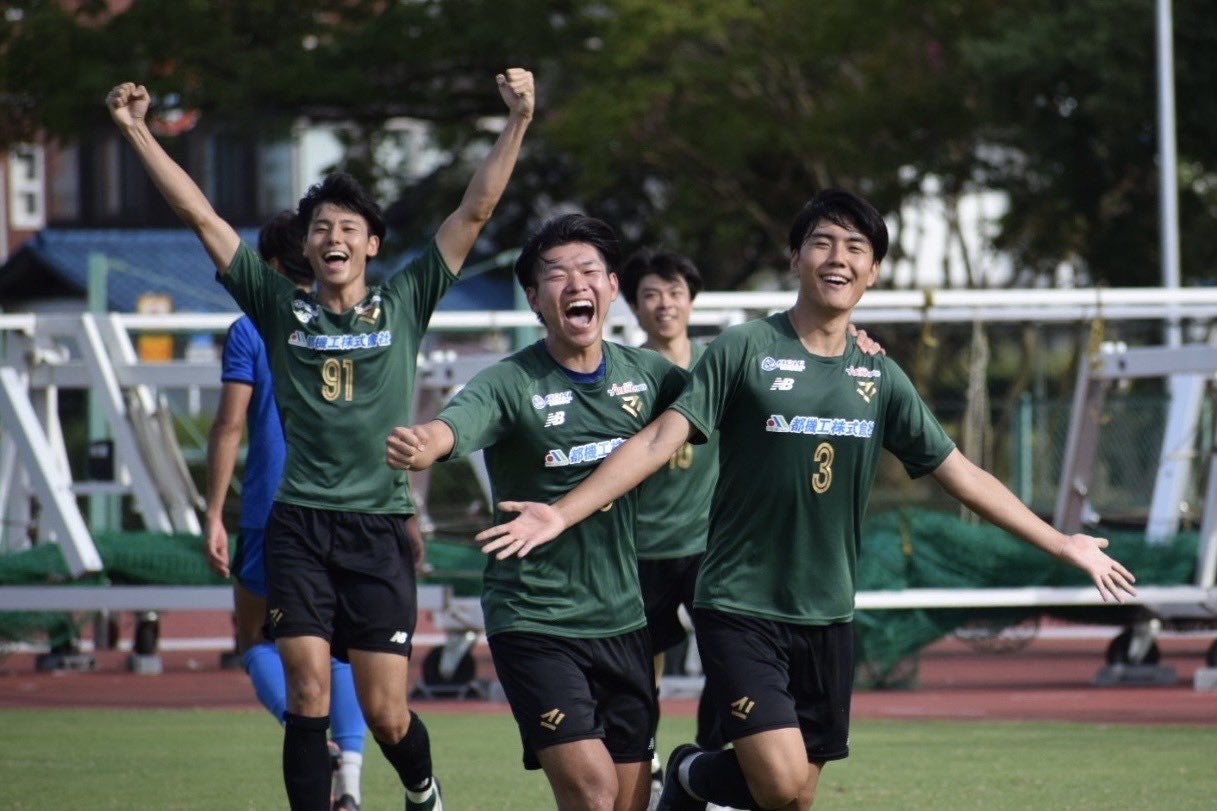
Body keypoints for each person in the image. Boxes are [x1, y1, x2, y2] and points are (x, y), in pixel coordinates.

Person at [473, 189, 1138, 811]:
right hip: (739, 604)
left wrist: (1062, 541)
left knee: (790, 798)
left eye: (855, 247)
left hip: (827, 612)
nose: (837, 257)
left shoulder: (877, 374)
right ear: (796, 257)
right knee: (780, 777)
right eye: (822, 242)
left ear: (873, 271)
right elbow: (654, 442)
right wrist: (561, 511)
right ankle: (685, 771)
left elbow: (960, 472)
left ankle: (688, 772)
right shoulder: (744, 349)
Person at [108, 67, 534, 811]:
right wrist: (138, 131)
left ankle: (422, 787)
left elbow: (475, 210)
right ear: (306, 245)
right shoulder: (277, 307)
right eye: (320, 227)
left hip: (377, 530)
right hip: (298, 525)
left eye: (347, 227)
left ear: (371, 243)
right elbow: (202, 216)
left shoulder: (405, 300)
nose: (332, 236)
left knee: (384, 712)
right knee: (306, 694)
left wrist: (518, 120)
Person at [385, 214, 685, 811]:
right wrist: (428, 442)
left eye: (589, 271)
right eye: (557, 275)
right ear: (534, 299)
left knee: (627, 801)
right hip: (535, 618)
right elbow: (455, 424)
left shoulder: (649, 376)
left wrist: (845, 341)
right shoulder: (509, 383)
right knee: (594, 794)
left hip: (623, 620)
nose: (576, 283)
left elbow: (733, 398)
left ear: (610, 288)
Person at [204, 210, 370, 811]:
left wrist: (213, 513)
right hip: (355, 506)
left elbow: (228, 426)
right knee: (344, 645)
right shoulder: (355, 322)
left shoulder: (253, 326)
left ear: (270, 265)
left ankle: (310, 737)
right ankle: (350, 775)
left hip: (274, 508)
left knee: (257, 638)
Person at [617, 250, 722, 794]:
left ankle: (705, 763)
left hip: (708, 544)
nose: (664, 304)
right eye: (651, 294)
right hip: (639, 548)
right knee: (640, 672)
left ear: (691, 298)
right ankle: (649, 767)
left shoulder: (719, 363)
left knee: (728, 658)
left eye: (674, 292)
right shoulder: (621, 374)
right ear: (633, 306)